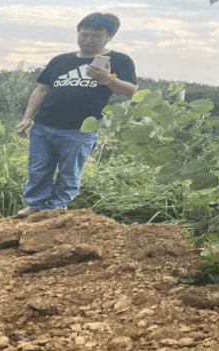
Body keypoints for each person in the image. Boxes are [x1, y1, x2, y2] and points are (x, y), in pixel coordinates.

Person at [13, 12, 138, 217]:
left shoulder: (118, 60)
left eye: (96, 36)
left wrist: (108, 78)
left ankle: (56, 208)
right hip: (44, 125)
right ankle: (34, 205)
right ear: (78, 33)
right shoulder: (61, 60)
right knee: (38, 168)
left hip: (80, 129)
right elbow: (41, 90)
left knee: (69, 172)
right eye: (84, 34)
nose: (88, 40)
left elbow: (131, 91)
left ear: (110, 37)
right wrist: (27, 117)